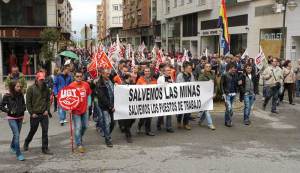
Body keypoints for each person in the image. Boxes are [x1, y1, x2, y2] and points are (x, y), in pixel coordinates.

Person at [23, 72, 52, 155]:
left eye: (43, 79)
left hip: (44, 113)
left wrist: (47, 110)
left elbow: (48, 100)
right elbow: (28, 103)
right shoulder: (31, 89)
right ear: (37, 79)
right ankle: (27, 142)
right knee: (33, 130)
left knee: (45, 131)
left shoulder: (46, 88)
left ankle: (45, 148)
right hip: (35, 114)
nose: (42, 81)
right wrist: (31, 113)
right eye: (40, 80)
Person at [0, 81, 26, 161]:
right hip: (12, 118)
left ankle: (12, 146)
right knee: (17, 135)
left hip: (20, 117)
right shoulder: (7, 96)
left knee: (16, 135)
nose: (19, 88)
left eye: (20, 86)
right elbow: (1, 106)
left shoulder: (21, 94)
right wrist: (8, 110)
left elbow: (23, 104)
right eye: (17, 86)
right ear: (13, 87)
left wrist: (23, 109)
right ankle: (18, 154)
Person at [68, 71, 92, 153]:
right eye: (77, 76)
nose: (79, 78)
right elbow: (68, 98)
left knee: (85, 126)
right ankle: (79, 144)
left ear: (82, 77)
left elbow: (89, 95)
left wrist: (89, 104)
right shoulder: (71, 86)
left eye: (80, 76)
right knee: (78, 127)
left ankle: (79, 137)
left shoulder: (86, 84)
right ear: (74, 77)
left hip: (84, 110)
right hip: (76, 111)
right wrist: (69, 107)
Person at [95, 68, 115, 147]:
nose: (108, 75)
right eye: (107, 74)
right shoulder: (99, 84)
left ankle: (107, 133)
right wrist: (110, 106)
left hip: (113, 105)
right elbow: (102, 97)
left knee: (113, 123)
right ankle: (108, 139)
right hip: (105, 107)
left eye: (109, 73)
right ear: (102, 74)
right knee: (107, 123)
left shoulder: (110, 81)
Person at [136, 67, 157, 136]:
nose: (147, 72)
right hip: (143, 101)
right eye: (146, 71)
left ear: (150, 72)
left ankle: (148, 130)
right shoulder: (140, 79)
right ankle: (139, 126)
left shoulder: (154, 80)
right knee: (143, 116)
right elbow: (135, 89)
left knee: (149, 116)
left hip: (151, 101)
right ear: (144, 72)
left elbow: (157, 88)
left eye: (148, 71)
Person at [220, 62, 241, 127]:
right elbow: (221, 85)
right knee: (229, 108)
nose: (234, 70)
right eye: (233, 68)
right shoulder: (224, 75)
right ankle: (228, 121)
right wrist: (223, 93)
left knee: (230, 108)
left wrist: (239, 83)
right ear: (230, 68)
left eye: (235, 69)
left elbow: (237, 84)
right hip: (227, 94)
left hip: (233, 94)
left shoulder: (235, 75)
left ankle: (227, 120)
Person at [176, 62, 195, 130]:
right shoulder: (180, 75)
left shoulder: (191, 75)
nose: (191, 69)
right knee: (181, 110)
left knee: (188, 111)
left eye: (191, 68)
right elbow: (178, 85)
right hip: (182, 96)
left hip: (189, 95)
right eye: (189, 68)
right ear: (185, 68)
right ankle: (178, 121)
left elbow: (194, 83)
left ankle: (185, 123)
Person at [198, 63, 216, 130]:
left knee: (206, 109)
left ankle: (200, 121)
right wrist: (208, 82)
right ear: (204, 68)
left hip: (210, 95)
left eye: (209, 66)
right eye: (207, 66)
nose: (208, 67)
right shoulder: (202, 75)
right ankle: (210, 124)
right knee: (207, 110)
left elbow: (216, 84)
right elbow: (199, 83)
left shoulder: (213, 75)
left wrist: (215, 92)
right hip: (204, 95)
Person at [157, 65, 175, 133]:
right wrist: (165, 84)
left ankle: (169, 127)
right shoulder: (160, 78)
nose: (169, 71)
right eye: (167, 70)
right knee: (161, 113)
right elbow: (158, 87)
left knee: (169, 113)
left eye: (169, 70)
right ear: (164, 71)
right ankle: (158, 124)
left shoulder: (171, 78)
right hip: (162, 98)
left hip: (169, 98)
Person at [118, 74, 136, 143]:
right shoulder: (122, 84)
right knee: (127, 120)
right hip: (125, 104)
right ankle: (128, 134)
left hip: (131, 104)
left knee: (133, 119)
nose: (133, 77)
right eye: (131, 77)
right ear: (128, 77)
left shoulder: (132, 83)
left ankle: (126, 128)